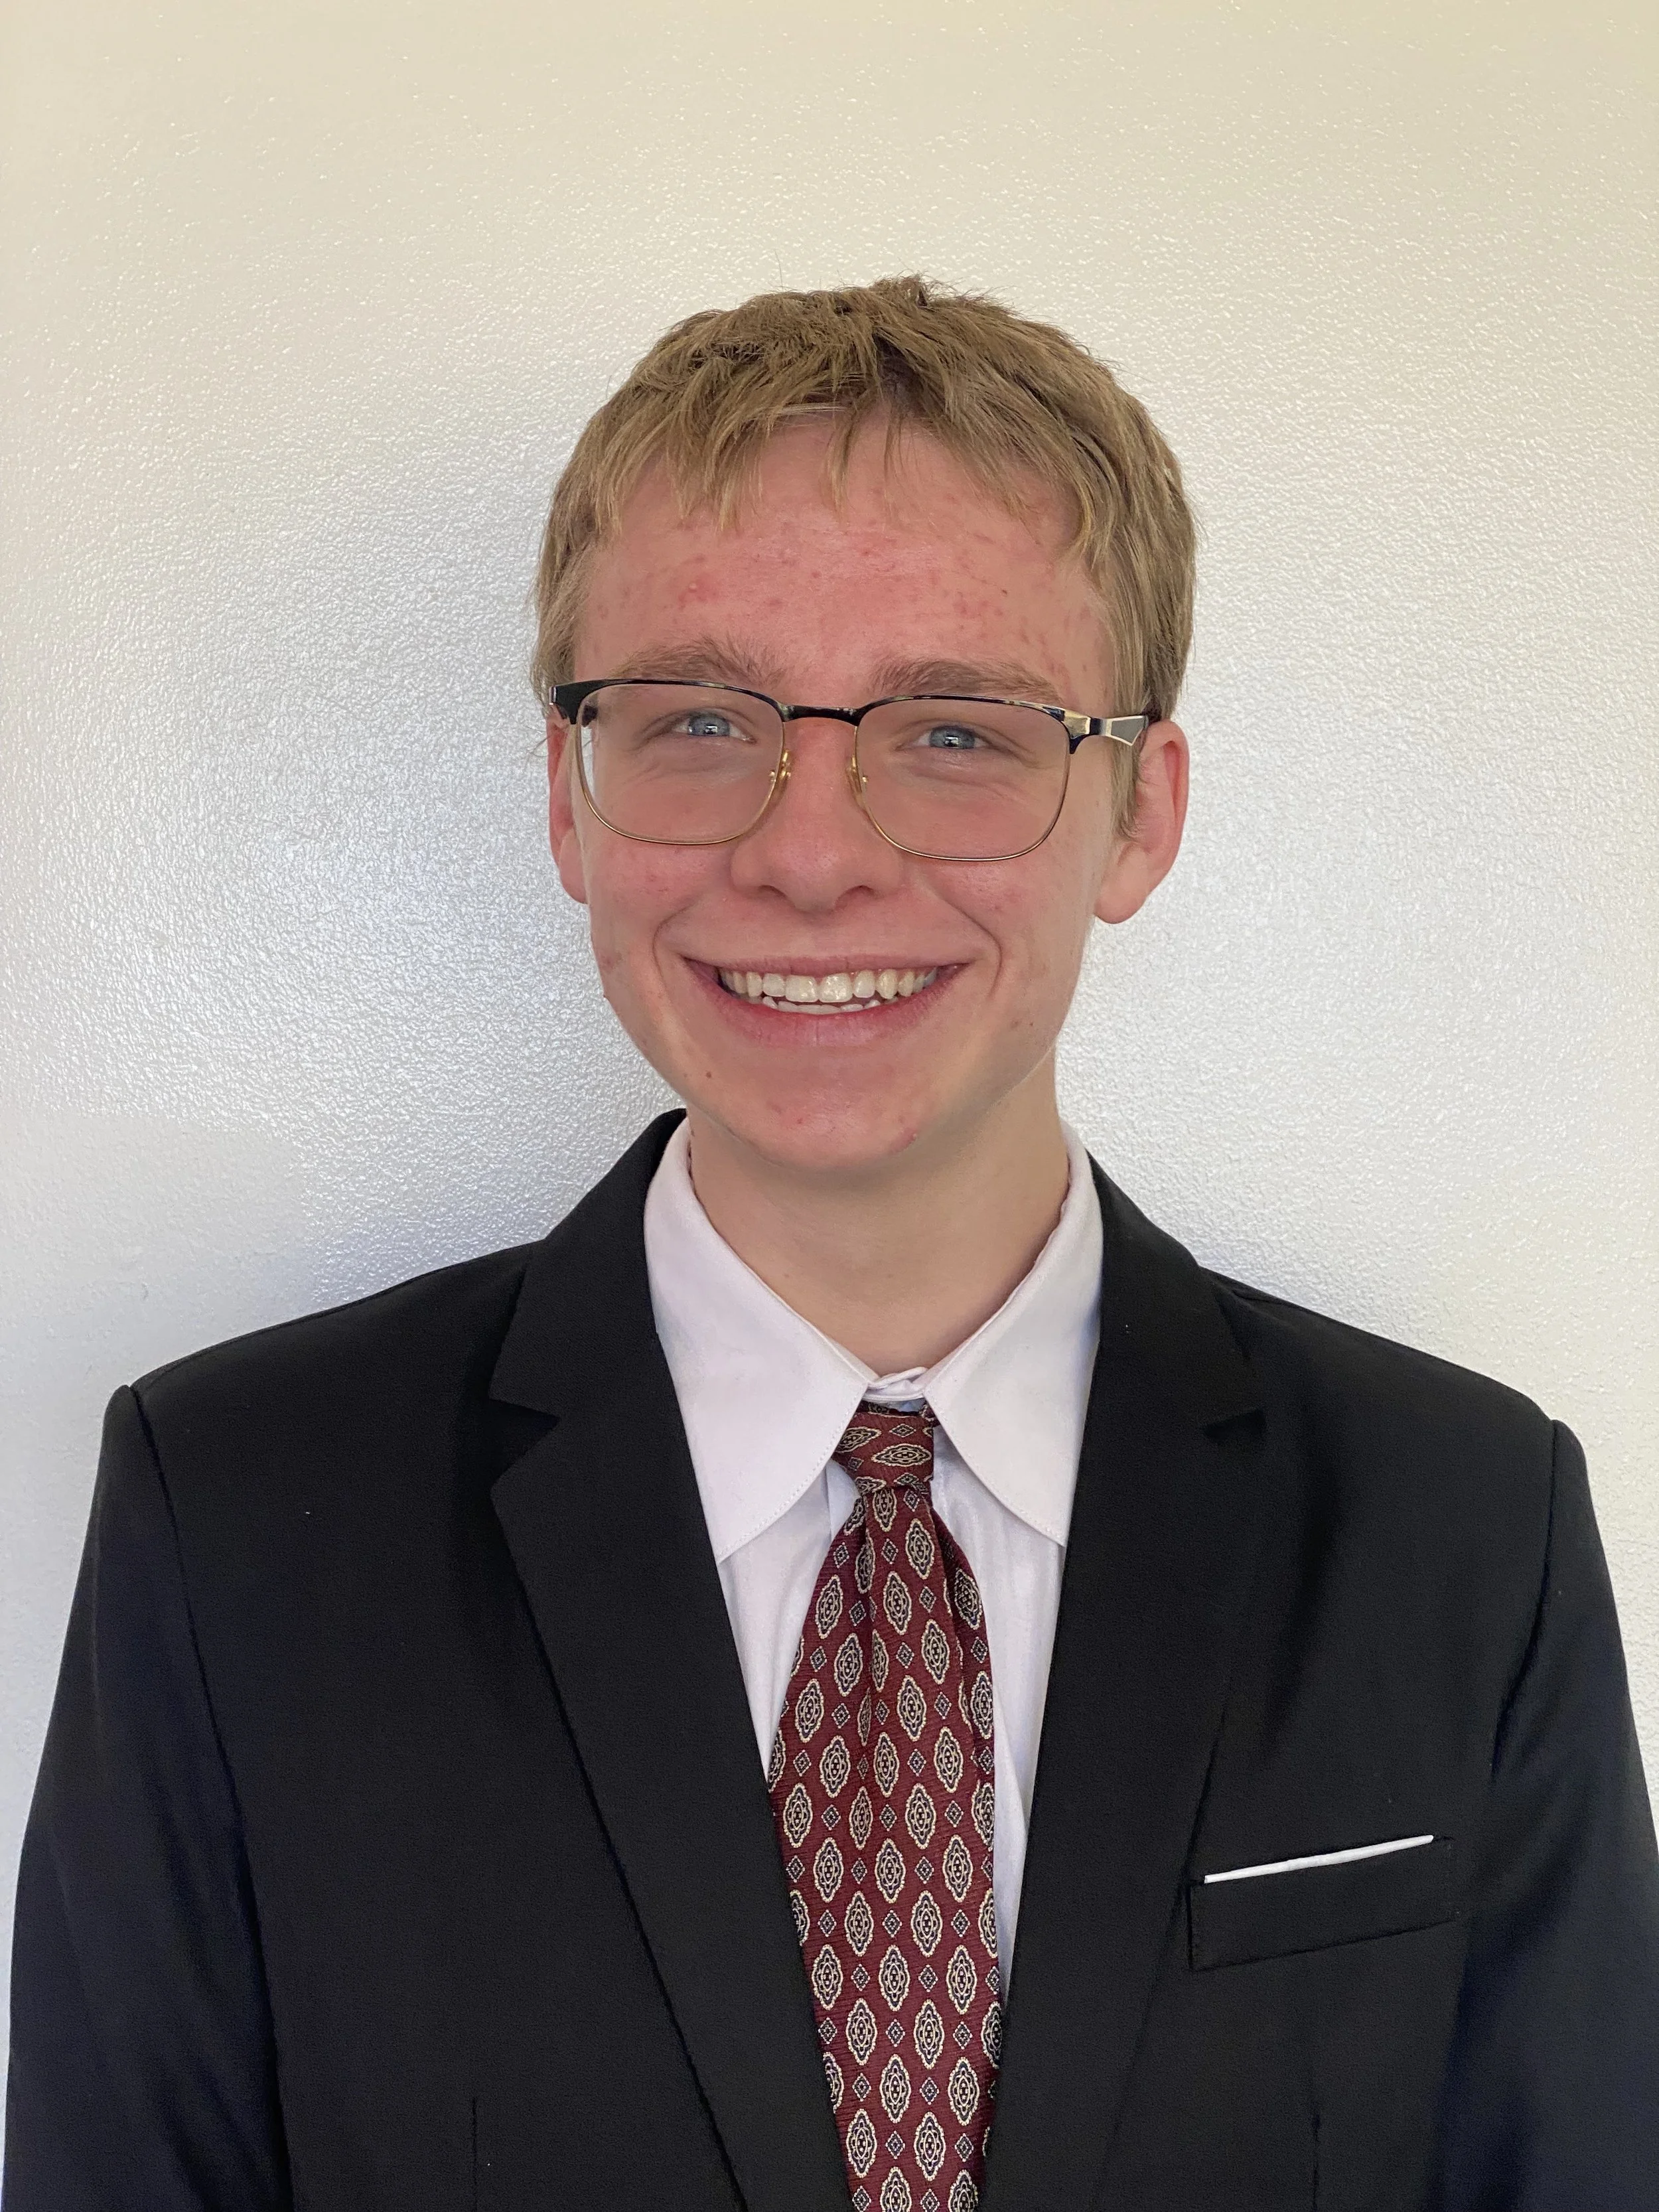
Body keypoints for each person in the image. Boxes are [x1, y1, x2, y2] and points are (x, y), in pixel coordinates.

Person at [5, 276, 1656, 2212]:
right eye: (697, 717)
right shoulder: (237, 1521)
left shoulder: (1462, 1533)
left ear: (1137, 814)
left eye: (954, 730)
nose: (806, 847)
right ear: (568, 794)